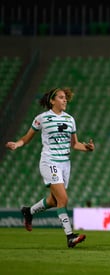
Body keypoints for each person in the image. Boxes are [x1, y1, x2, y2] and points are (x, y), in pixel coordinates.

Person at [5, 87, 94, 248]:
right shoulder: (42, 118)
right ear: (52, 101)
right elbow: (27, 137)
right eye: (61, 97)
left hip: (65, 164)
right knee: (63, 199)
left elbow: (75, 144)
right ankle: (70, 236)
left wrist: (87, 147)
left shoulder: (70, 119)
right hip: (49, 162)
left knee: (54, 200)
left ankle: (29, 211)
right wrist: (17, 144)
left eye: (65, 97)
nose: (65, 99)